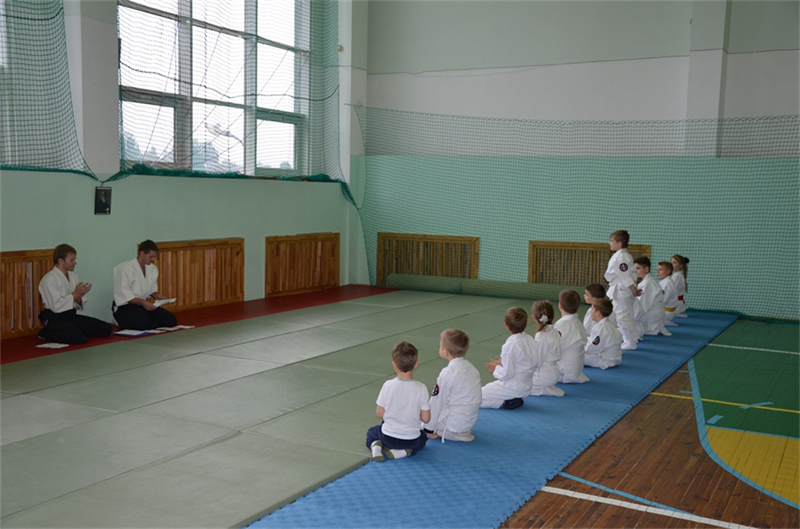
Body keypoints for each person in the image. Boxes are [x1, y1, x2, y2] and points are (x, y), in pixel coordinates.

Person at [366, 341, 431, 461]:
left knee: (372, 432)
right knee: (423, 438)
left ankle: (375, 445)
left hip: (388, 437)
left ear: (394, 365)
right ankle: (405, 451)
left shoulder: (388, 385)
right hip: (411, 440)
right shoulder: (421, 388)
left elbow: (379, 414)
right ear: (416, 364)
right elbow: (426, 419)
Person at [37, 244, 112, 344]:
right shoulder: (49, 279)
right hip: (54, 318)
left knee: (106, 329)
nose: (75, 263)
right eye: (71, 260)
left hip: (70, 316)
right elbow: (56, 306)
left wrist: (79, 296)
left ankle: (73, 329)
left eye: (74, 259)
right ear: (61, 261)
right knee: (78, 338)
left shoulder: (73, 276)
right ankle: (46, 332)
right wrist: (75, 294)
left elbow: (78, 304)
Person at [424, 329, 482, 442]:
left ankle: (444, 432)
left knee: (419, 414)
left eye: (440, 345)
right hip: (469, 421)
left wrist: (427, 430)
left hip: (454, 423)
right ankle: (457, 431)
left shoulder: (447, 373)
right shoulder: (472, 369)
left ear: (445, 350)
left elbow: (436, 403)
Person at [112, 240, 177, 330]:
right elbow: (126, 296)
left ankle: (146, 321)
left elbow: (151, 290)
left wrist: (157, 295)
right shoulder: (125, 269)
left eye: (154, 257)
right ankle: (120, 320)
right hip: (125, 307)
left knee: (171, 319)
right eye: (151, 257)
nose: (153, 260)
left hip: (142, 306)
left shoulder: (152, 269)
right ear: (142, 253)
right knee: (143, 323)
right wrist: (143, 303)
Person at [480, 307, 537, 410]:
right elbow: (526, 363)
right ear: (526, 324)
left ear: (505, 325)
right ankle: (508, 401)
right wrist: (503, 364)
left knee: (474, 397)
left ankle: (504, 401)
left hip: (512, 387)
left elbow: (506, 374)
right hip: (527, 386)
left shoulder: (510, 345)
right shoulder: (531, 340)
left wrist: (496, 368)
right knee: (483, 392)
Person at [605, 230, 642, 350]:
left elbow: (626, 277)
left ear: (619, 243)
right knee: (627, 315)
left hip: (622, 290)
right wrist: (633, 289)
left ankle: (630, 342)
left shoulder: (621, 257)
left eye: (612, 241)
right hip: (624, 289)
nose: (610, 243)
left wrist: (633, 290)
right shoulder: (624, 255)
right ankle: (632, 338)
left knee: (623, 317)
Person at [529, 300, 565, 397]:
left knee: (519, 383)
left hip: (543, 375)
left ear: (534, 317)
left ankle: (542, 389)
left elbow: (538, 361)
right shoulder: (555, 331)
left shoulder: (542, 335)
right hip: (554, 372)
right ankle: (547, 386)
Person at [555, 289, 590, 384]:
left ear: (560, 305)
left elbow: (553, 350)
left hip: (563, 371)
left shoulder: (561, 326)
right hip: (576, 370)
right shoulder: (579, 323)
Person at [634, 256, 671, 336]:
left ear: (646, 269)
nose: (635, 271)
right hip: (655, 315)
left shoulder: (647, 283)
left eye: (638, 268)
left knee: (624, 327)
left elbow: (642, 306)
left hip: (652, 317)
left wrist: (631, 318)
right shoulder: (647, 281)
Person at [584, 299, 623, 370]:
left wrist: (579, 349)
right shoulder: (608, 324)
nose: (591, 312)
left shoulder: (601, 328)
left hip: (605, 360)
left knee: (574, 356)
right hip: (612, 358)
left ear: (598, 313)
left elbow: (592, 348)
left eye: (592, 309)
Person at [657, 261, 679, 327]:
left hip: (666, 312)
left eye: (660, 269)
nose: (658, 272)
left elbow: (664, 300)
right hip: (666, 311)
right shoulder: (665, 281)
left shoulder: (667, 283)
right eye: (657, 270)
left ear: (668, 271)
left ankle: (664, 320)